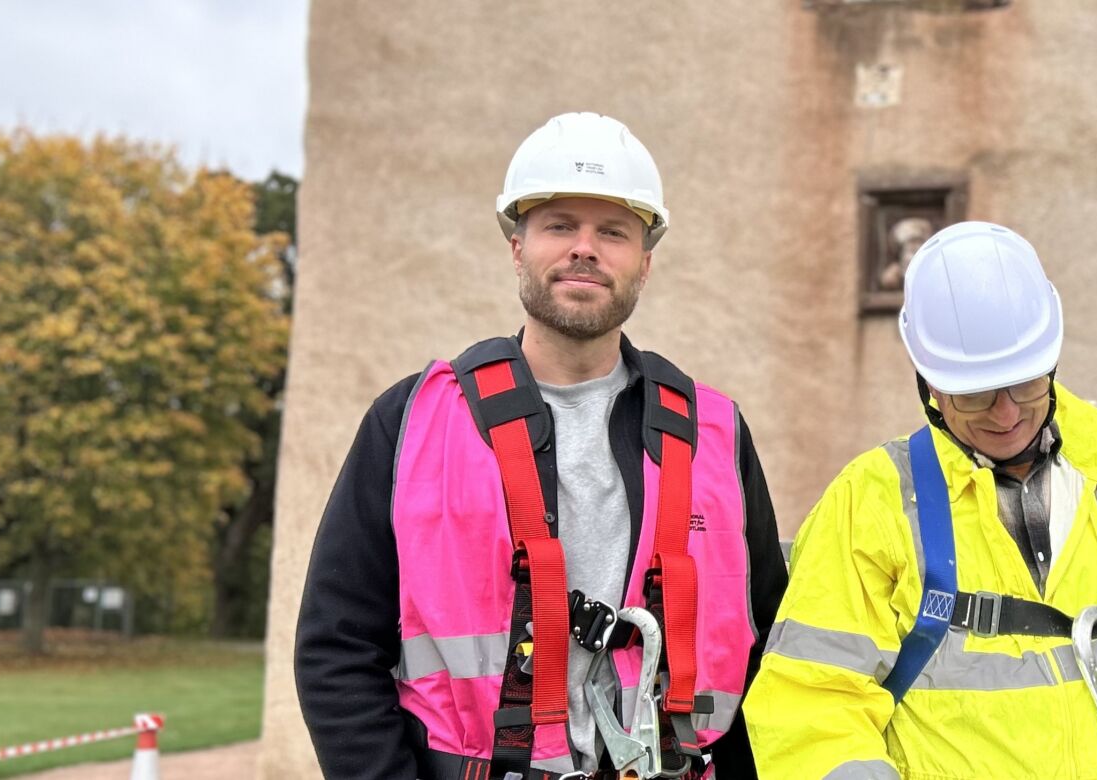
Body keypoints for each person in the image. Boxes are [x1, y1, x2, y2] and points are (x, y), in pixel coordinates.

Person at [294, 112, 787, 779]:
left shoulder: (715, 435)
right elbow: (337, 647)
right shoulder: (413, 422)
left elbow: (767, 653)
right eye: (560, 226)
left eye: (612, 232)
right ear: (517, 247)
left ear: (645, 262)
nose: (585, 248)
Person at [744, 221, 1097, 778]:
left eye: (1026, 383)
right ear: (930, 384)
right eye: (977, 394)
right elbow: (811, 706)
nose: (1006, 414)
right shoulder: (873, 503)